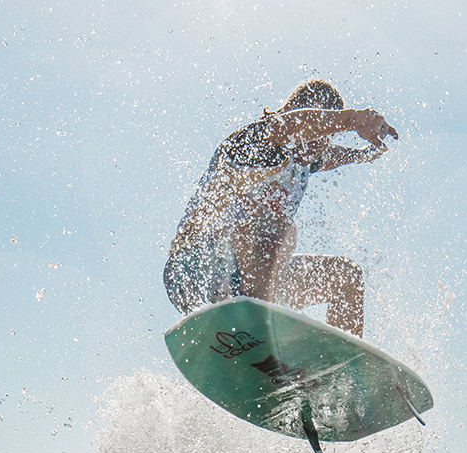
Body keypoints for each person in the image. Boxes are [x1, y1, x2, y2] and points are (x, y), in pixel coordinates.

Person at [163, 80, 398, 338]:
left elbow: (331, 156)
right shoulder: (258, 142)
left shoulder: (306, 160)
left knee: (346, 277)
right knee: (277, 227)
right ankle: (261, 333)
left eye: (326, 136)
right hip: (197, 272)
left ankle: (339, 372)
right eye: (317, 129)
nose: (320, 141)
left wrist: (362, 154)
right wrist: (353, 118)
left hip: (247, 283)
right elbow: (290, 126)